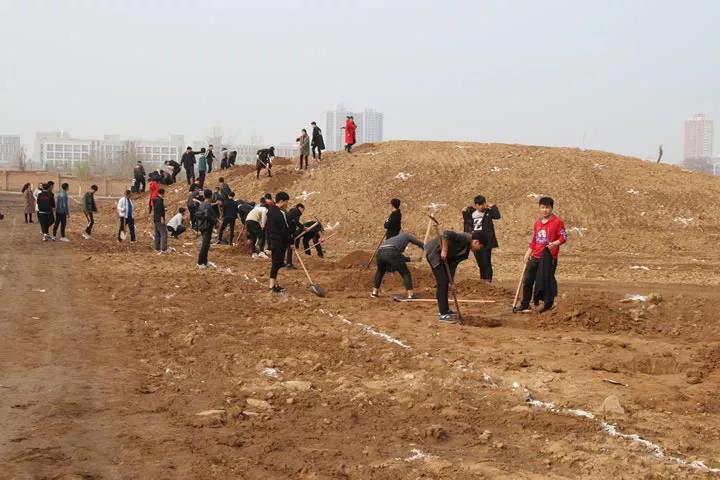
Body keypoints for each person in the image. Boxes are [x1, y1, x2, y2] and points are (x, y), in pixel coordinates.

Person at [515, 197, 568, 314]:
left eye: (547, 207)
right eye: (543, 207)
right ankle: (525, 304)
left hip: (549, 258)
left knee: (546, 281)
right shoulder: (537, 223)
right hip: (536, 256)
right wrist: (528, 253)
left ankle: (548, 304)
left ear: (551, 208)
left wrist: (555, 243)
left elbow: (564, 237)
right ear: (539, 208)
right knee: (528, 280)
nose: (545, 210)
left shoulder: (557, 222)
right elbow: (534, 240)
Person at [425, 229, 488, 322]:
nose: (479, 250)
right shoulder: (465, 238)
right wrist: (444, 250)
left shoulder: (465, 252)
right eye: (480, 247)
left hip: (443, 258)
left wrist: (452, 281)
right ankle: (443, 314)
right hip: (434, 253)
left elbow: (453, 265)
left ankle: (446, 310)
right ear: (476, 242)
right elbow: (446, 234)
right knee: (442, 282)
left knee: (446, 282)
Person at [371, 232, 424, 299]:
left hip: (380, 253)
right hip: (392, 252)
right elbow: (417, 243)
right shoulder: (407, 236)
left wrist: (412, 259)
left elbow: (398, 258)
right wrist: (424, 247)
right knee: (405, 273)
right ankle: (411, 295)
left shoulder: (392, 240)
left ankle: (374, 292)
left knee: (380, 272)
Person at [462, 196, 501, 283]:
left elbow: (497, 216)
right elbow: (466, 222)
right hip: (475, 240)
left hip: (486, 240)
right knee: (479, 261)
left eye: (483, 204)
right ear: (475, 205)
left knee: (486, 260)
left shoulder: (488, 213)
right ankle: (482, 279)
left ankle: (488, 280)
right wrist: (464, 211)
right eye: (479, 205)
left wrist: (494, 207)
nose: (481, 207)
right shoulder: (471, 213)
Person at [266, 191, 293, 292]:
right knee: (276, 263)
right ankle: (271, 286)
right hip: (278, 242)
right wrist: (291, 243)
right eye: (286, 202)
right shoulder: (279, 213)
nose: (287, 204)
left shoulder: (271, 210)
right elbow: (285, 230)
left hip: (274, 240)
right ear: (281, 201)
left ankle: (275, 284)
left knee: (276, 263)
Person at [196, 189, 218, 268]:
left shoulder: (201, 204)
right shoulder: (208, 205)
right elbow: (208, 216)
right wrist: (216, 222)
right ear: (211, 196)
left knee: (206, 244)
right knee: (205, 245)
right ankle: (200, 262)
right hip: (207, 226)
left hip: (201, 226)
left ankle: (204, 262)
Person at [285, 203, 305, 269]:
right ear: (300, 207)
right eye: (303, 209)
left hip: (287, 230)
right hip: (289, 231)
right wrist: (303, 227)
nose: (303, 211)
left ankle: (289, 263)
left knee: (289, 247)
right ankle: (288, 264)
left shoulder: (293, 211)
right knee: (290, 247)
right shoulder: (296, 211)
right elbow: (296, 222)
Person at [153, 188, 168, 253]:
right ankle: (163, 249)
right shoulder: (159, 200)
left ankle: (157, 247)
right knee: (164, 233)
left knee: (157, 233)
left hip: (156, 219)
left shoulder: (156, 199)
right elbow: (159, 210)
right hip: (159, 219)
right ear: (162, 193)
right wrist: (162, 218)